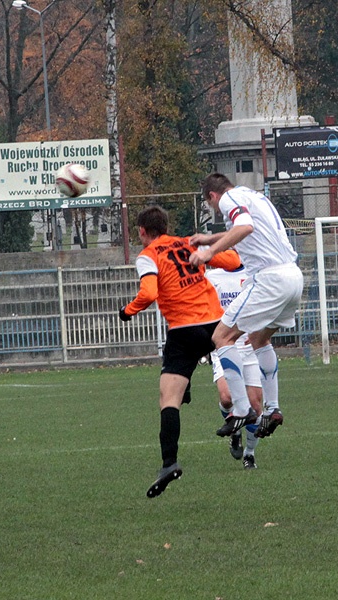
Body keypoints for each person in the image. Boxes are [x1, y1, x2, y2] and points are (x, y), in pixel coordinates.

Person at [118, 205, 241, 498]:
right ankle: (240, 416)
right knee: (222, 381)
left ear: (142, 232)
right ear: (166, 225)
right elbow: (234, 261)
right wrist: (208, 244)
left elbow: (148, 293)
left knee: (168, 399)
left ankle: (169, 463)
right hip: (215, 325)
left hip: (184, 330)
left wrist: (128, 311)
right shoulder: (188, 243)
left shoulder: (148, 255)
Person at [188, 173, 304, 440]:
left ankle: (242, 410)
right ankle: (272, 409)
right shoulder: (253, 195)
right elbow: (245, 228)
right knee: (258, 339)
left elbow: (244, 228)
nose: (216, 209)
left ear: (212, 196)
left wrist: (209, 252)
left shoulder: (228, 199)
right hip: (292, 277)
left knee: (221, 337)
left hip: (268, 279)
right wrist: (209, 238)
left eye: (211, 205)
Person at [205, 263, 265, 469]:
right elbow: (204, 309)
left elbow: (264, 305)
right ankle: (235, 431)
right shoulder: (212, 276)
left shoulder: (254, 272)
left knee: (256, 406)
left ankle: (250, 453)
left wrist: (264, 332)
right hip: (224, 344)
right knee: (226, 397)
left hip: (249, 347)